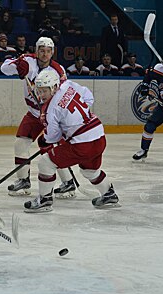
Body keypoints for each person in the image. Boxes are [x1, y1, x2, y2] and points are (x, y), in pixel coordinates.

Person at [23, 69, 119, 212]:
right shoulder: (68, 85)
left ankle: (44, 200)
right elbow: (88, 97)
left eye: (44, 91)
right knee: (90, 170)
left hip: (82, 143)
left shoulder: (50, 110)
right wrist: (73, 122)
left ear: (54, 87)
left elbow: (52, 138)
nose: (41, 95)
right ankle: (108, 194)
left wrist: (46, 139)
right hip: (98, 136)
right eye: (39, 91)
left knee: (45, 163)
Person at [0, 37, 77, 198]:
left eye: (48, 51)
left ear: (52, 53)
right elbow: (4, 68)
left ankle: (68, 182)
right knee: (20, 143)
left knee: (52, 150)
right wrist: (16, 66)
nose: (45, 54)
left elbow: (64, 94)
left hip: (51, 115)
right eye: (41, 50)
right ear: (36, 51)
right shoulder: (27, 62)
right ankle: (23, 180)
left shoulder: (58, 70)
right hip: (34, 113)